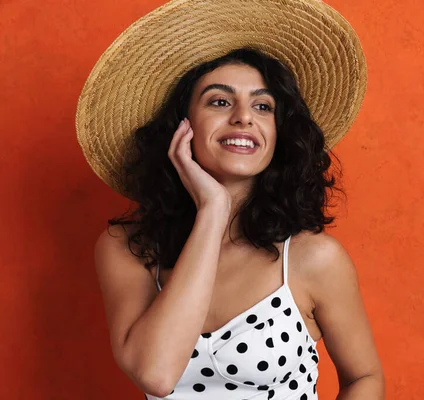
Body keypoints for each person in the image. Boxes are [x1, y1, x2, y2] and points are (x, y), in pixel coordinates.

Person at [76, 1, 384, 399]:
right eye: (219, 101)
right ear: (181, 126)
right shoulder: (128, 248)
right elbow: (155, 374)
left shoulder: (313, 259)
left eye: (263, 106)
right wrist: (213, 209)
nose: (244, 117)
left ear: (278, 133)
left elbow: (365, 378)